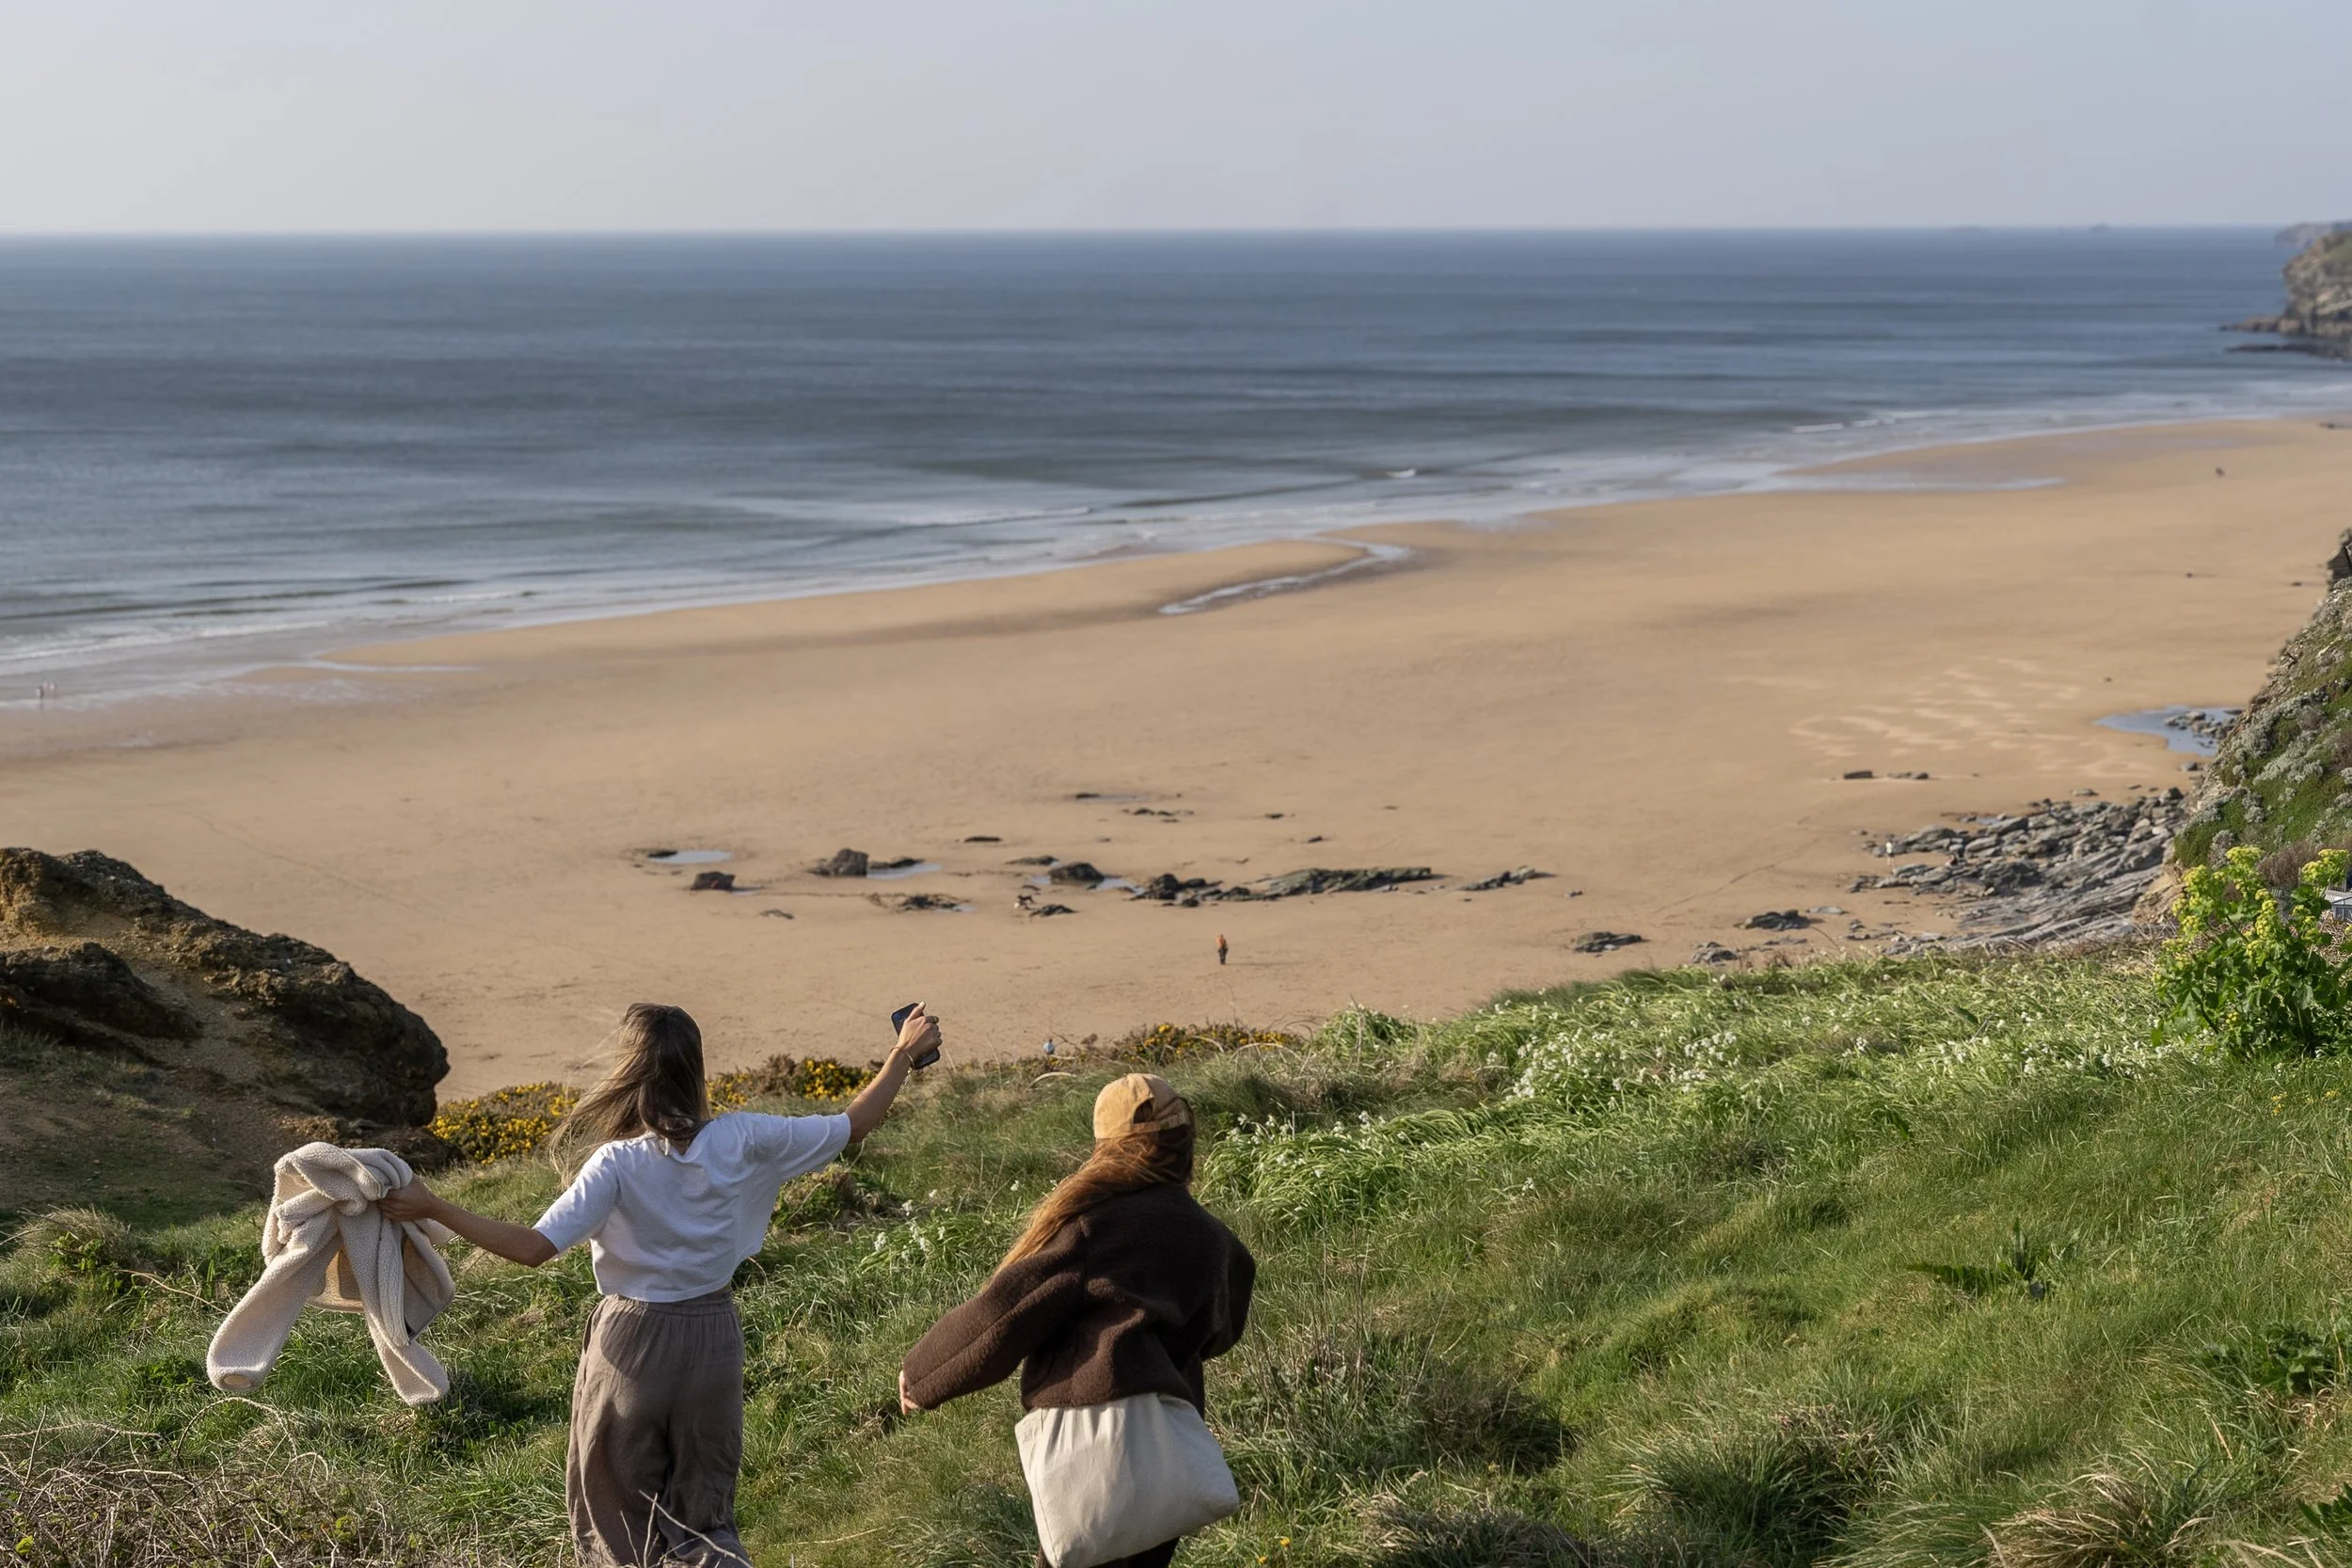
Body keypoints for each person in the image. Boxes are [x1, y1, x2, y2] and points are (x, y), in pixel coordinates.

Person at [380, 1000, 940, 1567]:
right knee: (704, 1518)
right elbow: (854, 1125)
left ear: (630, 1075)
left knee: (618, 1520)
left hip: (630, 1343)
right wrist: (901, 1054)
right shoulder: (745, 1138)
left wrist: (433, 1205)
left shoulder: (615, 1164)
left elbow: (533, 1249)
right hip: (712, 1338)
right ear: (695, 1071)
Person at [898, 1073, 1255, 1568]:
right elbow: (1223, 1332)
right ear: (1185, 1144)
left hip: (1089, 1451)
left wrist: (923, 1376)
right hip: (1168, 1449)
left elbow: (1003, 1316)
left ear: (1105, 1151)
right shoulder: (1214, 1240)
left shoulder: (1089, 1230)